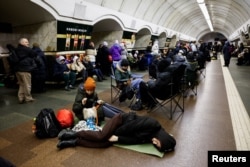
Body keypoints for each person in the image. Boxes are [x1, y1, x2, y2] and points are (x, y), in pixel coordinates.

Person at [57, 112, 176, 153]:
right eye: (158, 142)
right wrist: (116, 135)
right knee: (102, 136)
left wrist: (117, 139)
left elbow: (134, 140)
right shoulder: (153, 124)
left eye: (156, 145)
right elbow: (129, 127)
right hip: (121, 121)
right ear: (162, 137)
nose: (154, 142)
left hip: (123, 130)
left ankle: (73, 142)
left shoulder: (152, 137)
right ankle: (73, 134)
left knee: (104, 143)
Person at [15, 38, 37, 103]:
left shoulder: (16, 49)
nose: (28, 43)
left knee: (21, 84)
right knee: (27, 85)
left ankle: (21, 98)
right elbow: (34, 54)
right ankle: (28, 98)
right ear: (21, 43)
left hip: (17, 70)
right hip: (25, 69)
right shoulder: (27, 49)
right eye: (26, 42)